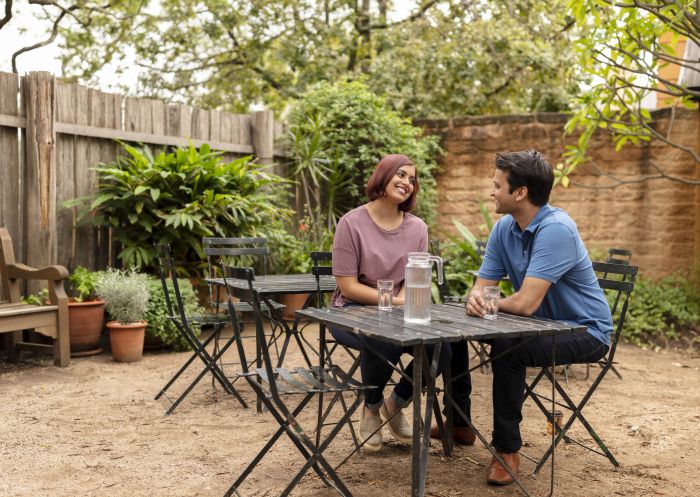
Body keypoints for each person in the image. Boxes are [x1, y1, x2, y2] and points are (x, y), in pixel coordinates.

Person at [462, 150, 612, 485]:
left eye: (497, 185)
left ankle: (506, 450)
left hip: (584, 331)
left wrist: (490, 303)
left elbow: (527, 303)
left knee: (508, 347)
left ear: (520, 193)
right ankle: (457, 422)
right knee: (454, 333)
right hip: (537, 327)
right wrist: (476, 300)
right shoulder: (505, 228)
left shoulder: (556, 229)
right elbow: (482, 287)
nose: (492, 192)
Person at [330, 153, 469, 452]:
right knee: (384, 339)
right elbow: (347, 286)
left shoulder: (417, 228)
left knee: (442, 349)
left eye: (412, 179)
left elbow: (413, 277)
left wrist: (400, 302)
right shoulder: (351, 223)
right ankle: (371, 407)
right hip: (351, 311)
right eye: (401, 175)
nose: (407, 182)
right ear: (383, 175)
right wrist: (393, 302)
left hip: (398, 308)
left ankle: (396, 402)